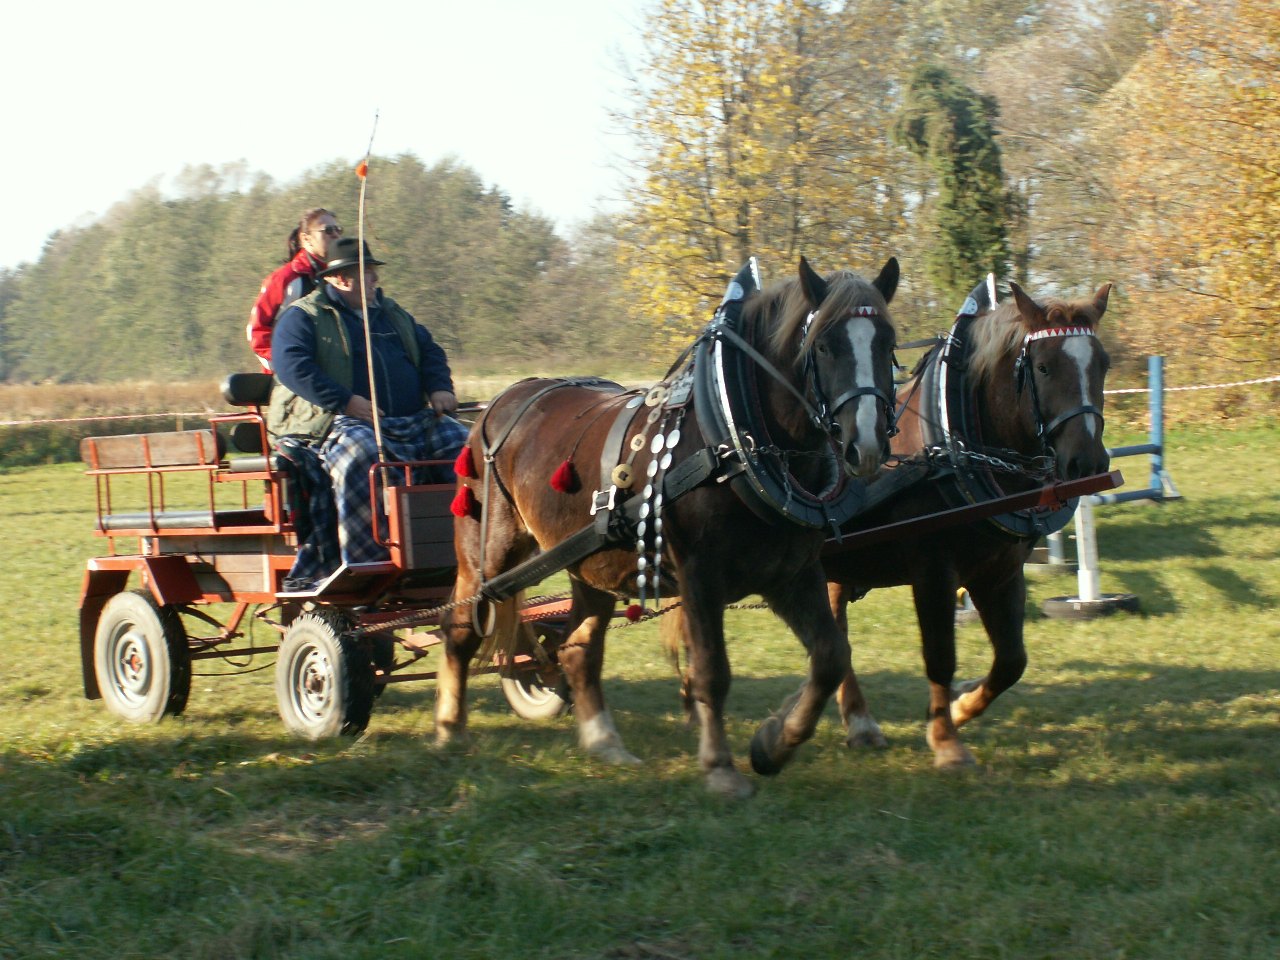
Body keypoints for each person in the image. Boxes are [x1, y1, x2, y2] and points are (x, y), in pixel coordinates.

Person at [267, 236, 469, 587]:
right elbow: (293, 367)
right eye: (369, 273)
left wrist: (440, 387)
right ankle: (364, 561)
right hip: (336, 420)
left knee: (460, 443)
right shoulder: (303, 317)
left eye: (375, 273)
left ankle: (461, 550)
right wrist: (344, 401)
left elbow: (430, 350)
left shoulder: (392, 314)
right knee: (359, 452)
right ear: (342, 278)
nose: (376, 280)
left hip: (410, 420)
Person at [246, 207, 343, 372]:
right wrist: (288, 365)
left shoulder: (343, 278)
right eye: (327, 230)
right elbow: (257, 332)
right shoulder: (286, 279)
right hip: (290, 377)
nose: (335, 235)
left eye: (337, 229)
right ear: (306, 239)